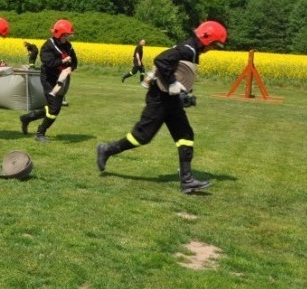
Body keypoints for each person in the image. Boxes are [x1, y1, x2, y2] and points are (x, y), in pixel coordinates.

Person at [96, 21, 228, 194]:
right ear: (206, 39)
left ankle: (187, 180)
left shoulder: (192, 50)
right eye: (213, 45)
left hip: (170, 99)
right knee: (142, 136)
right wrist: (173, 83)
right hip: (159, 99)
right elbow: (161, 60)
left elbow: (178, 71)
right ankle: (106, 149)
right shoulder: (188, 49)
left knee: (185, 135)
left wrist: (183, 94)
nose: (213, 49)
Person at [19, 19, 78, 143]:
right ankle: (40, 133)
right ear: (58, 34)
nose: (67, 38)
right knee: (54, 109)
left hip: (62, 79)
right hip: (48, 79)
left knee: (51, 107)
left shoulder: (68, 46)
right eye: (65, 35)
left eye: (68, 35)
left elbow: (75, 62)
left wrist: (69, 68)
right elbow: (49, 63)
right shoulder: (48, 45)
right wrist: (63, 61)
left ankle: (27, 118)